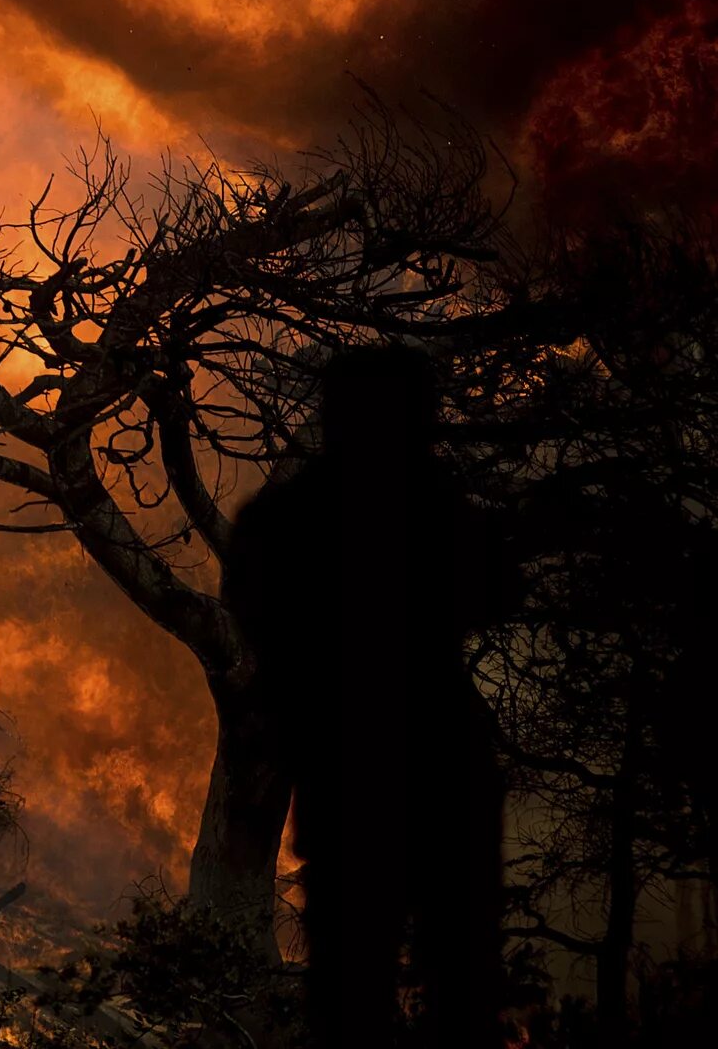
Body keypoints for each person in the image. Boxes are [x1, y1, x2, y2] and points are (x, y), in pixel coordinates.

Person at [225, 344, 505, 1049]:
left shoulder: (282, 517)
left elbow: (250, 607)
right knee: (460, 975)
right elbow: (493, 590)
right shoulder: (442, 508)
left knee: (350, 984)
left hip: (343, 774)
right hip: (443, 763)